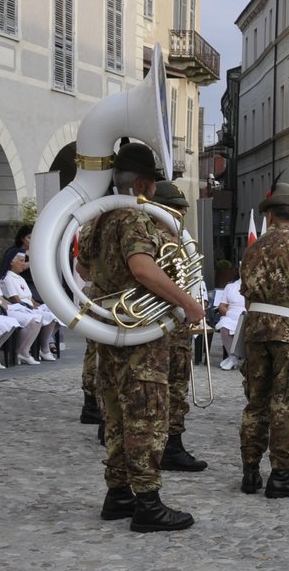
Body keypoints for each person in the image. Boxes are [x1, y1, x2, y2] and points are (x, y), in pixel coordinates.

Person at [75, 143, 206, 532]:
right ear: (145, 183)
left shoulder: (95, 219)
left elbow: (83, 269)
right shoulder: (133, 215)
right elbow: (144, 269)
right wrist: (188, 303)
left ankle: (117, 494)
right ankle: (147, 503)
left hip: (112, 330)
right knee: (147, 415)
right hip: (139, 335)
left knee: (115, 413)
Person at [238, 182, 289, 498]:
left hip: (257, 329)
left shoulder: (253, 247)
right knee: (286, 402)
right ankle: (280, 474)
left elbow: (246, 295)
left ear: (270, 215)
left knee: (256, 402)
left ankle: (249, 471)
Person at [150, 180, 206, 473]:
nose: (179, 217)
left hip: (153, 323)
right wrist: (189, 303)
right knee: (174, 385)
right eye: (176, 210)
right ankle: (171, 445)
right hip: (170, 323)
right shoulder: (167, 240)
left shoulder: (147, 235)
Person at [0, 247, 58, 362]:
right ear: (12, 262)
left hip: (29, 306)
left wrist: (38, 306)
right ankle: (28, 349)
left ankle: (43, 345)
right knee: (42, 317)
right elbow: (15, 298)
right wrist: (33, 308)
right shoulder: (7, 278)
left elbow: (31, 298)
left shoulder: (20, 278)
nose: (23, 264)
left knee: (55, 313)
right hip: (20, 308)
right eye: (21, 261)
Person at [213, 261, 245, 370]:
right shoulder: (230, 286)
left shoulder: (256, 285)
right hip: (232, 317)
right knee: (224, 325)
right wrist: (230, 314)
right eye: (241, 268)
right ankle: (232, 357)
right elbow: (222, 306)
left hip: (248, 317)